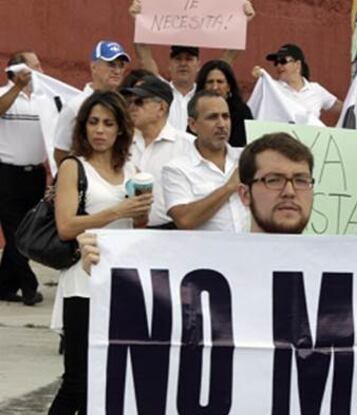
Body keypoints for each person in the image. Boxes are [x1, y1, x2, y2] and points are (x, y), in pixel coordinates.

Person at [34, 90, 150, 415]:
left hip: (117, 285)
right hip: (82, 285)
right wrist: (118, 210)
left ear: (121, 128)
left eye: (108, 123)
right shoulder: (73, 167)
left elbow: (136, 226)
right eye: (93, 122)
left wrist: (138, 213)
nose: (100, 131)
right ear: (83, 127)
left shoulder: (131, 168)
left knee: (102, 387)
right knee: (76, 382)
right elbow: (67, 226)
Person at [79, 133, 318, 275]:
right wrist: (108, 271)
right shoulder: (205, 266)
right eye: (273, 180)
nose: (289, 191)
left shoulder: (339, 268)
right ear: (244, 194)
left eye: (301, 180)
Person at [128, 0, 255, 131]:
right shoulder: (159, 90)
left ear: (198, 64)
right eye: (178, 59)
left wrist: (242, 22)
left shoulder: (205, 93)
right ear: (169, 64)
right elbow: (144, 57)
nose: (183, 63)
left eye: (189, 59)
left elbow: (228, 59)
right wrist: (139, 22)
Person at [161, 91, 247, 232]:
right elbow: (184, 220)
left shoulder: (247, 158)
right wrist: (229, 187)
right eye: (212, 117)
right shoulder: (176, 169)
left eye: (225, 117)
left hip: (252, 249)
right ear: (193, 125)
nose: (221, 124)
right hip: (206, 252)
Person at [0, 52, 47, 306]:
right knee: (15, 232)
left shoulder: (44, 100)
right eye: (35, 65)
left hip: (36, 175)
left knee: (26, 232)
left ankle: (4, 284)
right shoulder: (4, 94)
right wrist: (17, 87)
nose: (40, 69)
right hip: (6, 174)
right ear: (18, 69)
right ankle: (30, 287)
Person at [123, 76, 195, 229]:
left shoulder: (188, 146)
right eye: (129, 102)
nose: (132, 107)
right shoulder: (120, 144)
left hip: (171, 234)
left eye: (139, 102)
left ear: (161, 108)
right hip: (125, 231)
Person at [54, 40, 131, 165]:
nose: (117, 71)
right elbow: (61, 152)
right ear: (93, 67)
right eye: (111, 64)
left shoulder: (123, 104)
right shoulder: (75, 106)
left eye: (121, 65)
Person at [259, 43, 343, 123]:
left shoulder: (316, 89)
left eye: (283, 61)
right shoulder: (273, 88)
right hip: (283, 137)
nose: (278, 66)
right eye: (276, 62)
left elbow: (343, 108)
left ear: (298, 65)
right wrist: (260, 76)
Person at [196, 60, 253, 148]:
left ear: (229, 86)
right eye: (210, 82)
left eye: (220, 82)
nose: (215, 87)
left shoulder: (242, 112)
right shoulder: (195, 109)